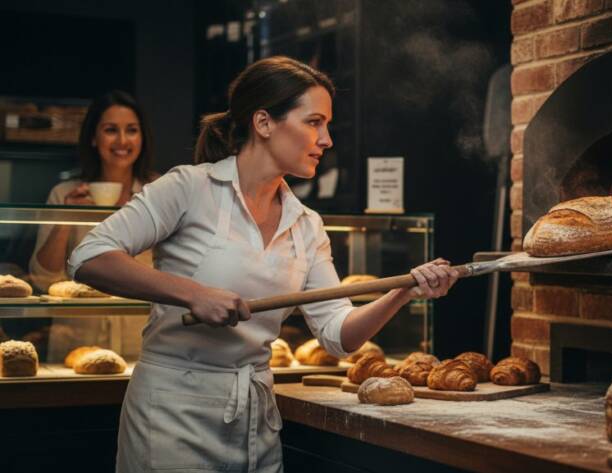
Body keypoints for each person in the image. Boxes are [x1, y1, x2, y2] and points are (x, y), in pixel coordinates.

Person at [68, 56, 459, 472]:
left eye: (326, 126)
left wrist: (402, 292)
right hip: (171, 415)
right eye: (314, 122)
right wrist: (193, 293)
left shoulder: (307, 224)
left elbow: (336, 335)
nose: (326, 140)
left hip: (256, 420)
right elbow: (89, 257)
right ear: (264, 122)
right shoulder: (189, 187)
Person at [28, 90, 156, 361]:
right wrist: (66, 216)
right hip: (76, 345)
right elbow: (42, 279)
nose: (122, 140)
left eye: (131, 130)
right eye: (111, 130)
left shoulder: (158, 193)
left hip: (144, 345)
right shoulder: (64, 193)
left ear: (142, 138)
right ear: (93, 138)